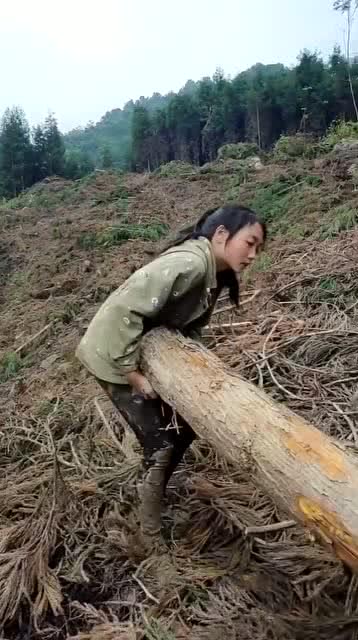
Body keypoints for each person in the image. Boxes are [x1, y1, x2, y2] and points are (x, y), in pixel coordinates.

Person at [76, 204, 266, 544]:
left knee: (185, 426)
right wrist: (133, 375)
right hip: (113, 354)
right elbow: (125, 307)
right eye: (249, 243)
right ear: (221, 234)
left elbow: (189, 328)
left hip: (144, 352)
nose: (252, 254)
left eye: (258, 248)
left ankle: (156, 485)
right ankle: (149, 534)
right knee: (161, 444)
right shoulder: (190, 263)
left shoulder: (212, 272)